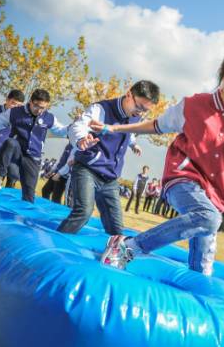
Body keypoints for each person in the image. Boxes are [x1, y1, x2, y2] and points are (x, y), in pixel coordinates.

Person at [96, 45, 224, 276]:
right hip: (182, 178)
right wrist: (115, 128)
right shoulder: (193, 104)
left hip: (215, 195)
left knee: (202, 268)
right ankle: (128, 246)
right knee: (209, 218)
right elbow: (157, 125)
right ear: (223, 76)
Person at [56, 81, 158, 236]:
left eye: (145, 110)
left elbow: (128, 134)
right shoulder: (101, 109)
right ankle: (57, 243)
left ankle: (113, 256)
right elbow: (78, 126)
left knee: (116, 228)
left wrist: (133, 145)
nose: (140, 113)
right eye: (139, 107)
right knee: (83, 211)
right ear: (129, 94)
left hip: (110, 178)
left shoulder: (135, 117)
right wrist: (81, 139)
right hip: (87, 170)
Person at [0, 89, 67, 202]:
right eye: (36, 106)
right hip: (14, 151)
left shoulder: (49, 118)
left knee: (29, 195)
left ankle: (23, 210)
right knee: (10, 142)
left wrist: (76, 126)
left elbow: (62, 130)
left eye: (43, 108)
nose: (39, 110)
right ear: (30, 102)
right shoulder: (15, 112)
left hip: (33, 157)